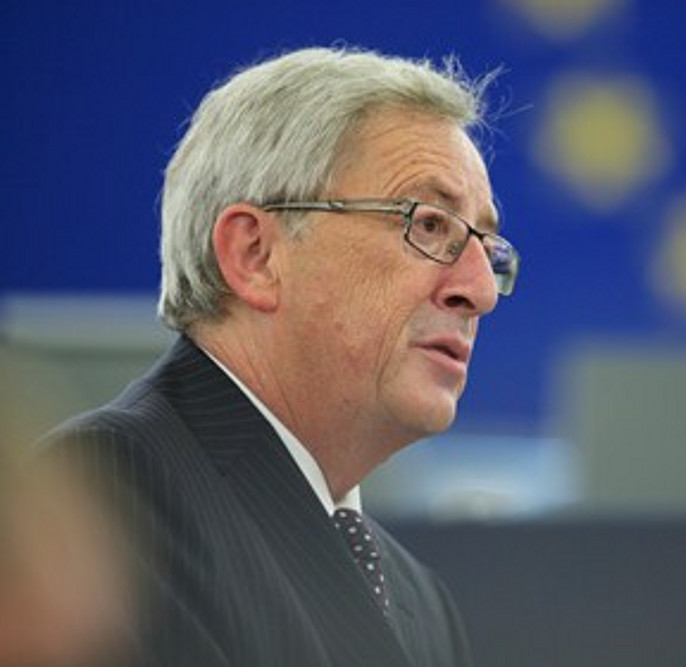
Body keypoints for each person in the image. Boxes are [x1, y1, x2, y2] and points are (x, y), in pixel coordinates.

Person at [39, 45, 519, 667]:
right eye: (428, 225)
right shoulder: (104, 499)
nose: (479, 291)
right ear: (256, 256)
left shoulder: (419, 600)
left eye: (488, 249)